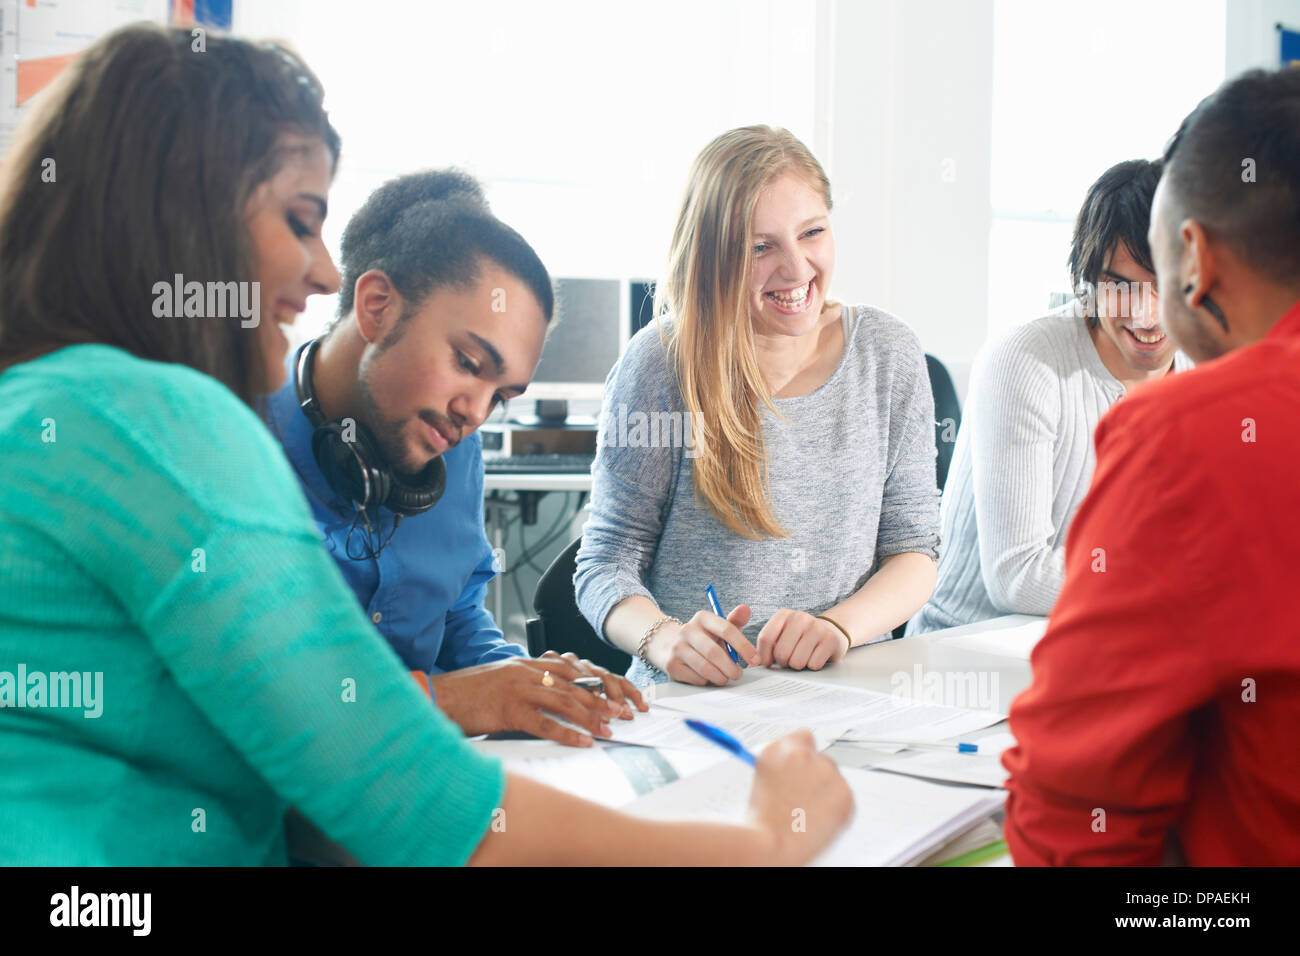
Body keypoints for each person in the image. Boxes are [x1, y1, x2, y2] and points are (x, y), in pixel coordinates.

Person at [0, 24, 851, 866]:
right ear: (185, 219)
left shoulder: (45, 404)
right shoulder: (160, 423)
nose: (324, 272)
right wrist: (762, 844)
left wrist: (513, 684)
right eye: (300, 221)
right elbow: (403, 796)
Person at [1002, 66, 1300, 865]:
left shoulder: (1190, 433)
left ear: (1194, 260)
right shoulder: (1036, 358)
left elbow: (1071, 818)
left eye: (1154, 276)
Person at [263, 169, 646, 749]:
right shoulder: (233, 437)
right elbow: (262, 697)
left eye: (501, 395)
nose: (475, 413)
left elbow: (457, 621)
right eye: (468, 363)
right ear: (376, 306)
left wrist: (528, 683)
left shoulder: (454, 451)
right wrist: (459, 698)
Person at [575, 126, 940, 687]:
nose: (797, 269)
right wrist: (664, 637)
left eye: (812, 232)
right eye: (759, 247)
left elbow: (913, 551)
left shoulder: (888, 353)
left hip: (852, 695)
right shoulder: (660, 363)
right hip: (700, 703)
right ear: (711, 257)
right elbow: (605, 561)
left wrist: (839, 628)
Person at [909, 159, 1192, 635]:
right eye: (1120, 287)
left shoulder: (1206, 369)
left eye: (1164, 286)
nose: (1146, 317)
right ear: (1087, 280)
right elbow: (1017, 578)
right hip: (972, 651)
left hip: (1111, 640)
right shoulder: (1026, 361)